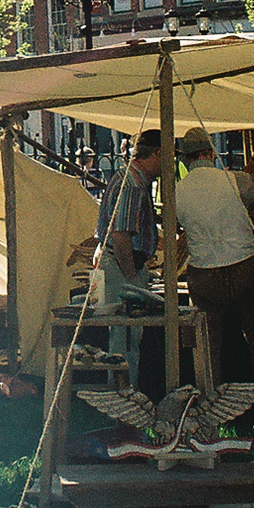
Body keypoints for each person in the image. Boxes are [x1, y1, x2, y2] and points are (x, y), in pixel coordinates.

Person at [175, 127, 254, 396]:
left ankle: (211, 405)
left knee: (208, 347)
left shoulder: (176, 192)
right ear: (211, 153)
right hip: (244, 263)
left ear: (186, 159)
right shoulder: (238, 180)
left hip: (204, 271)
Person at [94, 129, 164, 377]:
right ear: (157, 154)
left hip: (118, 261)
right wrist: (133, 277)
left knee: (123, 338)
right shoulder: (133, 185)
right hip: (122, 265)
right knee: (125, 341)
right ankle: (123, 398)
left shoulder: (126, 177)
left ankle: (122, 394)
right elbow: (121, 236)